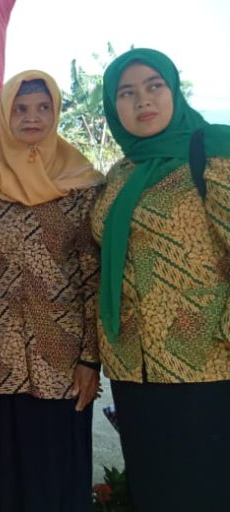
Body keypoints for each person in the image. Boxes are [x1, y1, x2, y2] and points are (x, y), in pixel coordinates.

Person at [0, 71, 104, 512]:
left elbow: (92, 277)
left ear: (56, 112)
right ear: (5, 116)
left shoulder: (83, 188)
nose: (31, 117)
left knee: (55, 464)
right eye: (20, 109)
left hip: (62, 355)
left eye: (42, 107)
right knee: (1, 465)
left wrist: (90, 359)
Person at [92, 48, 230, 512]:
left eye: (154, 86)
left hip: (205, 363)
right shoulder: (119, 174)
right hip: (133, 367)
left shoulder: (213, 153)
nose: (142, 101)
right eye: (126, 93)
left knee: (205, 489)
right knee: (155, 488)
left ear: (174, 91)